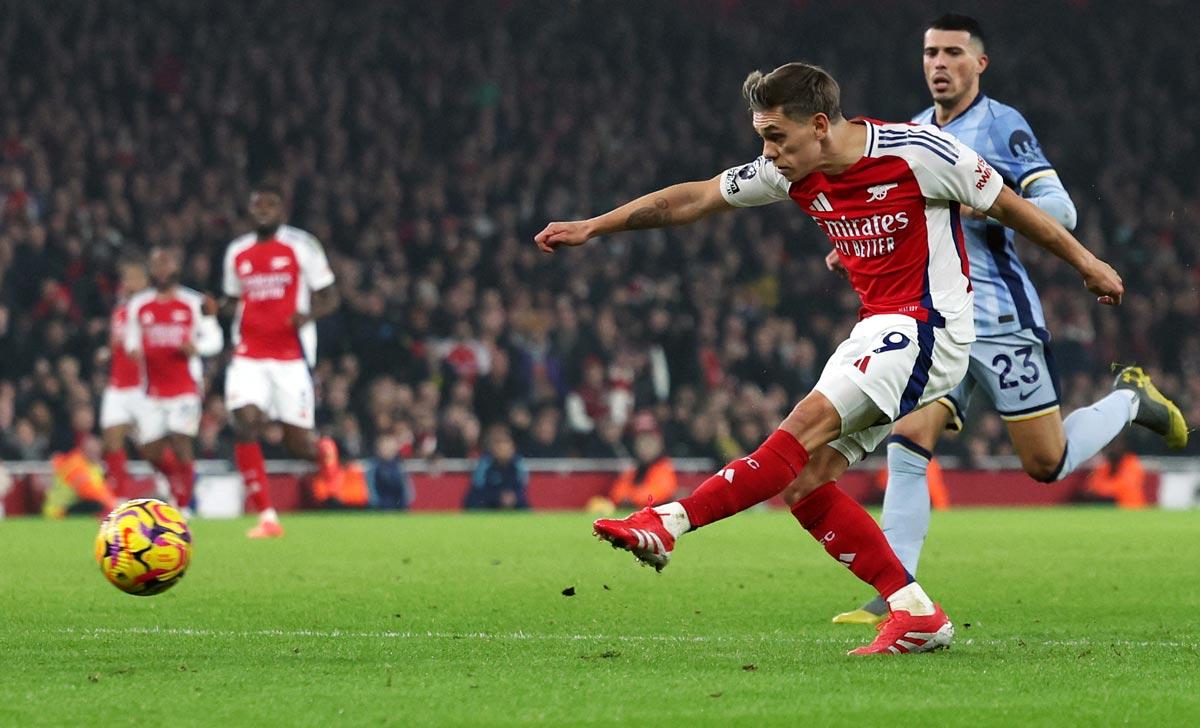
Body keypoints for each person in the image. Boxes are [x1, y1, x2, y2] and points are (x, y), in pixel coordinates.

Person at [535, 61, 1124, 655]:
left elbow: (1013, 209)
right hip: (879, 329)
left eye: (776, 137)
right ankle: (914, 610)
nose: (767, 152)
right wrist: (593, 226)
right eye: (762, 137)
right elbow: (694, 198)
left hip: (929, 327)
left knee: (800, 428)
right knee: (809, 484)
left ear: (819, 125)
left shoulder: (920, 152)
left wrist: (1088, 264)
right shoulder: (790, 170)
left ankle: (668, 522)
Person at [828, 14, 1189, 626]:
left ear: (979, 64)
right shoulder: (912, 131)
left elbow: (1061, 209)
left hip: (999, 319)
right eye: (930, 53)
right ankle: (897, 591)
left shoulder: (1001, 125)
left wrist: (980, 202)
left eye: (952, 53)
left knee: (1045, 463)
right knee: (908, 443)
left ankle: (1130, 399)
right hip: (937, 319)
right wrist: (859, 244)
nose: (938, 64)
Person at [222, 183, 340, 538]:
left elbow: (330, 296)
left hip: (291, 355)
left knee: (297, 444)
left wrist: (308, 315)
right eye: (256, 204)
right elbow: (232, 301)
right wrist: (217, 309)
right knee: (245, 422)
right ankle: (267, 517)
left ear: (282, 210)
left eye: (269, 204)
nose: (262, 210)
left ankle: (323, 451)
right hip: (248, 355)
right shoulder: (237, 252)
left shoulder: (302, 246)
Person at [125, 246, 224, 516]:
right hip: (151, 390)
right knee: (150, 450)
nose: (161, 269)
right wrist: (133, 349)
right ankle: (181, 482)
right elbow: (131, 338)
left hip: (185, 387)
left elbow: (215, 339)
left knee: (181, 442)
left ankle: (183, 504)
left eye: (166, 263)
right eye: (156, 264)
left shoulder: (194, 303)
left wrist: (197, 348)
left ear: (177, 267)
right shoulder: (139, 305)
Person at [99, 255, 149, 499]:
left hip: (142, 387)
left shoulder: (148, 309)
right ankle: (117, 500)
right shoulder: (119, 310)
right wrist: (105, 352)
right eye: (125, 278)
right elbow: (115, 344)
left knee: (152, 448)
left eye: (132, 277)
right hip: (118, 385)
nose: (127, 282)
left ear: (144, 281)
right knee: (111, 440)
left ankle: (177, 489)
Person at [607, 416, 678, 509]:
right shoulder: (633, 469)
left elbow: (658, 494)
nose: (645, 447)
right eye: (641, 442)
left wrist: (631, 497)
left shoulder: (664, 467)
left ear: (659, 445)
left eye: (649, 442)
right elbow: (617, 494)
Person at [463, 425, 529, 510]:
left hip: (513, 504)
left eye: (505, 443)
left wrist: (514, 496)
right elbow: (478, 489)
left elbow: (521, 487)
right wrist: (498, 497)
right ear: (492, 447)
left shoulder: (518, 464)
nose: (502, 447)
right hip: (488, 505)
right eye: (498, 443)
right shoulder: (484, 464)